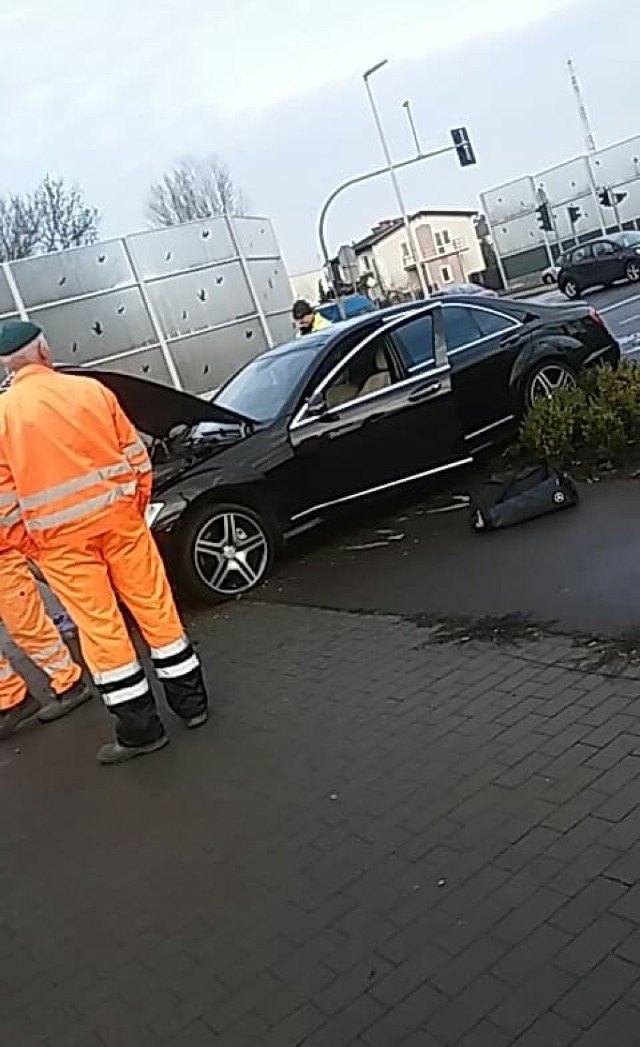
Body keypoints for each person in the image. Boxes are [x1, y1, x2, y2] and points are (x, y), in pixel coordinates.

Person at [0, 320, 209, 765]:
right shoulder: (92, 391)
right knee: (157, 610)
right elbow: (137, 457)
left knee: (102, 630)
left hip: (61, 546)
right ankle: (193, 705)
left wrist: (29, 544)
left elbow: (4, 502)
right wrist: (133, 509)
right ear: (44, 352)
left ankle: (140, 731)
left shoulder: (2, 417)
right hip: (121, 525)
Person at [0, 546, 91, 739]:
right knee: (27, 625)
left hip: (4, 559)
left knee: (27, 627)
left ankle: (70, 684)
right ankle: (11, 699)